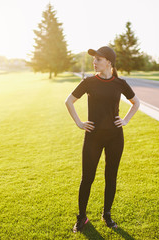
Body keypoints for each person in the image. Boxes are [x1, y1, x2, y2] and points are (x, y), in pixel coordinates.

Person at [65, 46, 140, 232]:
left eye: (98, 59)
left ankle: (107, 215)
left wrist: (125, 120)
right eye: (94, 59)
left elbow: (136, 102)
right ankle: (81, 218)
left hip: (115, 137)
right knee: (87, 178)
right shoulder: (89, 81)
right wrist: (79, 122)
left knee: (111, 177)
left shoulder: (120, 83)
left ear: (109, 62)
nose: (94, 62)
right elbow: (69, 101)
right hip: (93, 137)